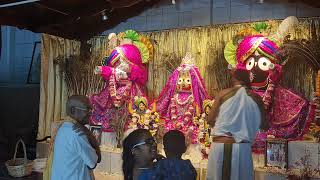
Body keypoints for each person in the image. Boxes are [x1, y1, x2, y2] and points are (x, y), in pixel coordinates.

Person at [206, 69, 268, 180]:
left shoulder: (222, 94)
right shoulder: (256, 98)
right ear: (248, 80)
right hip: (242, 149)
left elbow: (210, 119)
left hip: (219, 146)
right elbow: (264, 125)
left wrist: (225, 123)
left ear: (234, 79)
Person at [49, 95, 101, 180]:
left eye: (91, 109)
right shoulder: (78, 133)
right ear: (73, 110)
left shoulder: (63, 127)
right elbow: (95, 162)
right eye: (87, 109)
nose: (90, 113)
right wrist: (88, 133)